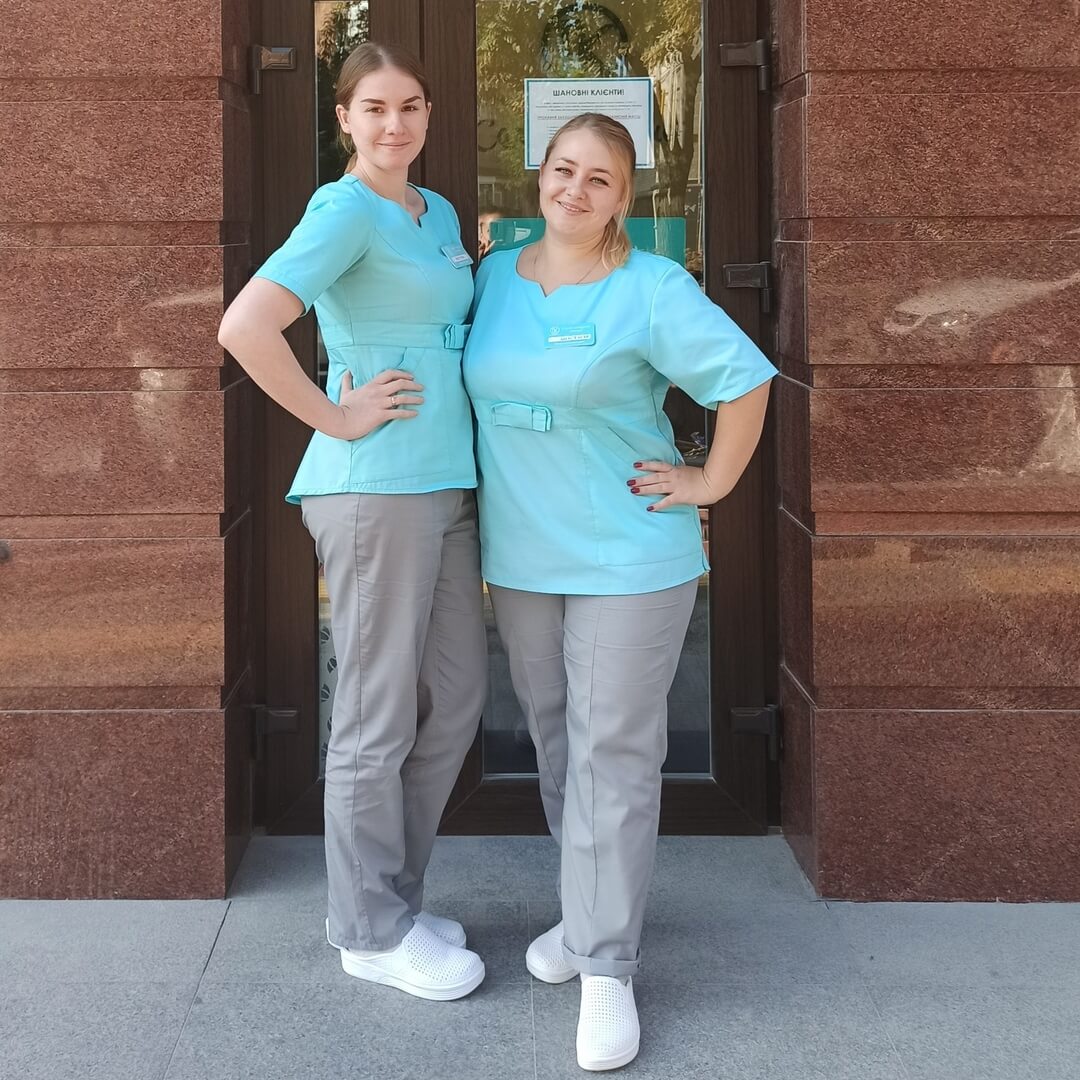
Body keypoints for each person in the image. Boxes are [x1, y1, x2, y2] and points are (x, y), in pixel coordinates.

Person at [463, 113, 777, 1069]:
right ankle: (583, 914)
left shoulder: (653, 287)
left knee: (612, 757)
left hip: (628, 557)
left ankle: (607, 971)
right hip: (523, 557)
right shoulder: (494, 277)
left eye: (599, 178)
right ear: (540, 176)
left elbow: (745, 381)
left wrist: (708, 482)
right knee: (561, 747)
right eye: (564, 169)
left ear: (624, 196)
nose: (576, 189)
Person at [217, 42, 487, 1001]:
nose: (394, 124)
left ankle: (395, 900)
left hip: (447, 484)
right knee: (375, 717)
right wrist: (334, 417)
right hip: (375, 488)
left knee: (455, 697)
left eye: (410, 106)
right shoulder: (342, 210)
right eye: (374, 108)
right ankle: (367, 931)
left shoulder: (435, 211)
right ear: (344, 118)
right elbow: (244, 326)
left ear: (428, 114)